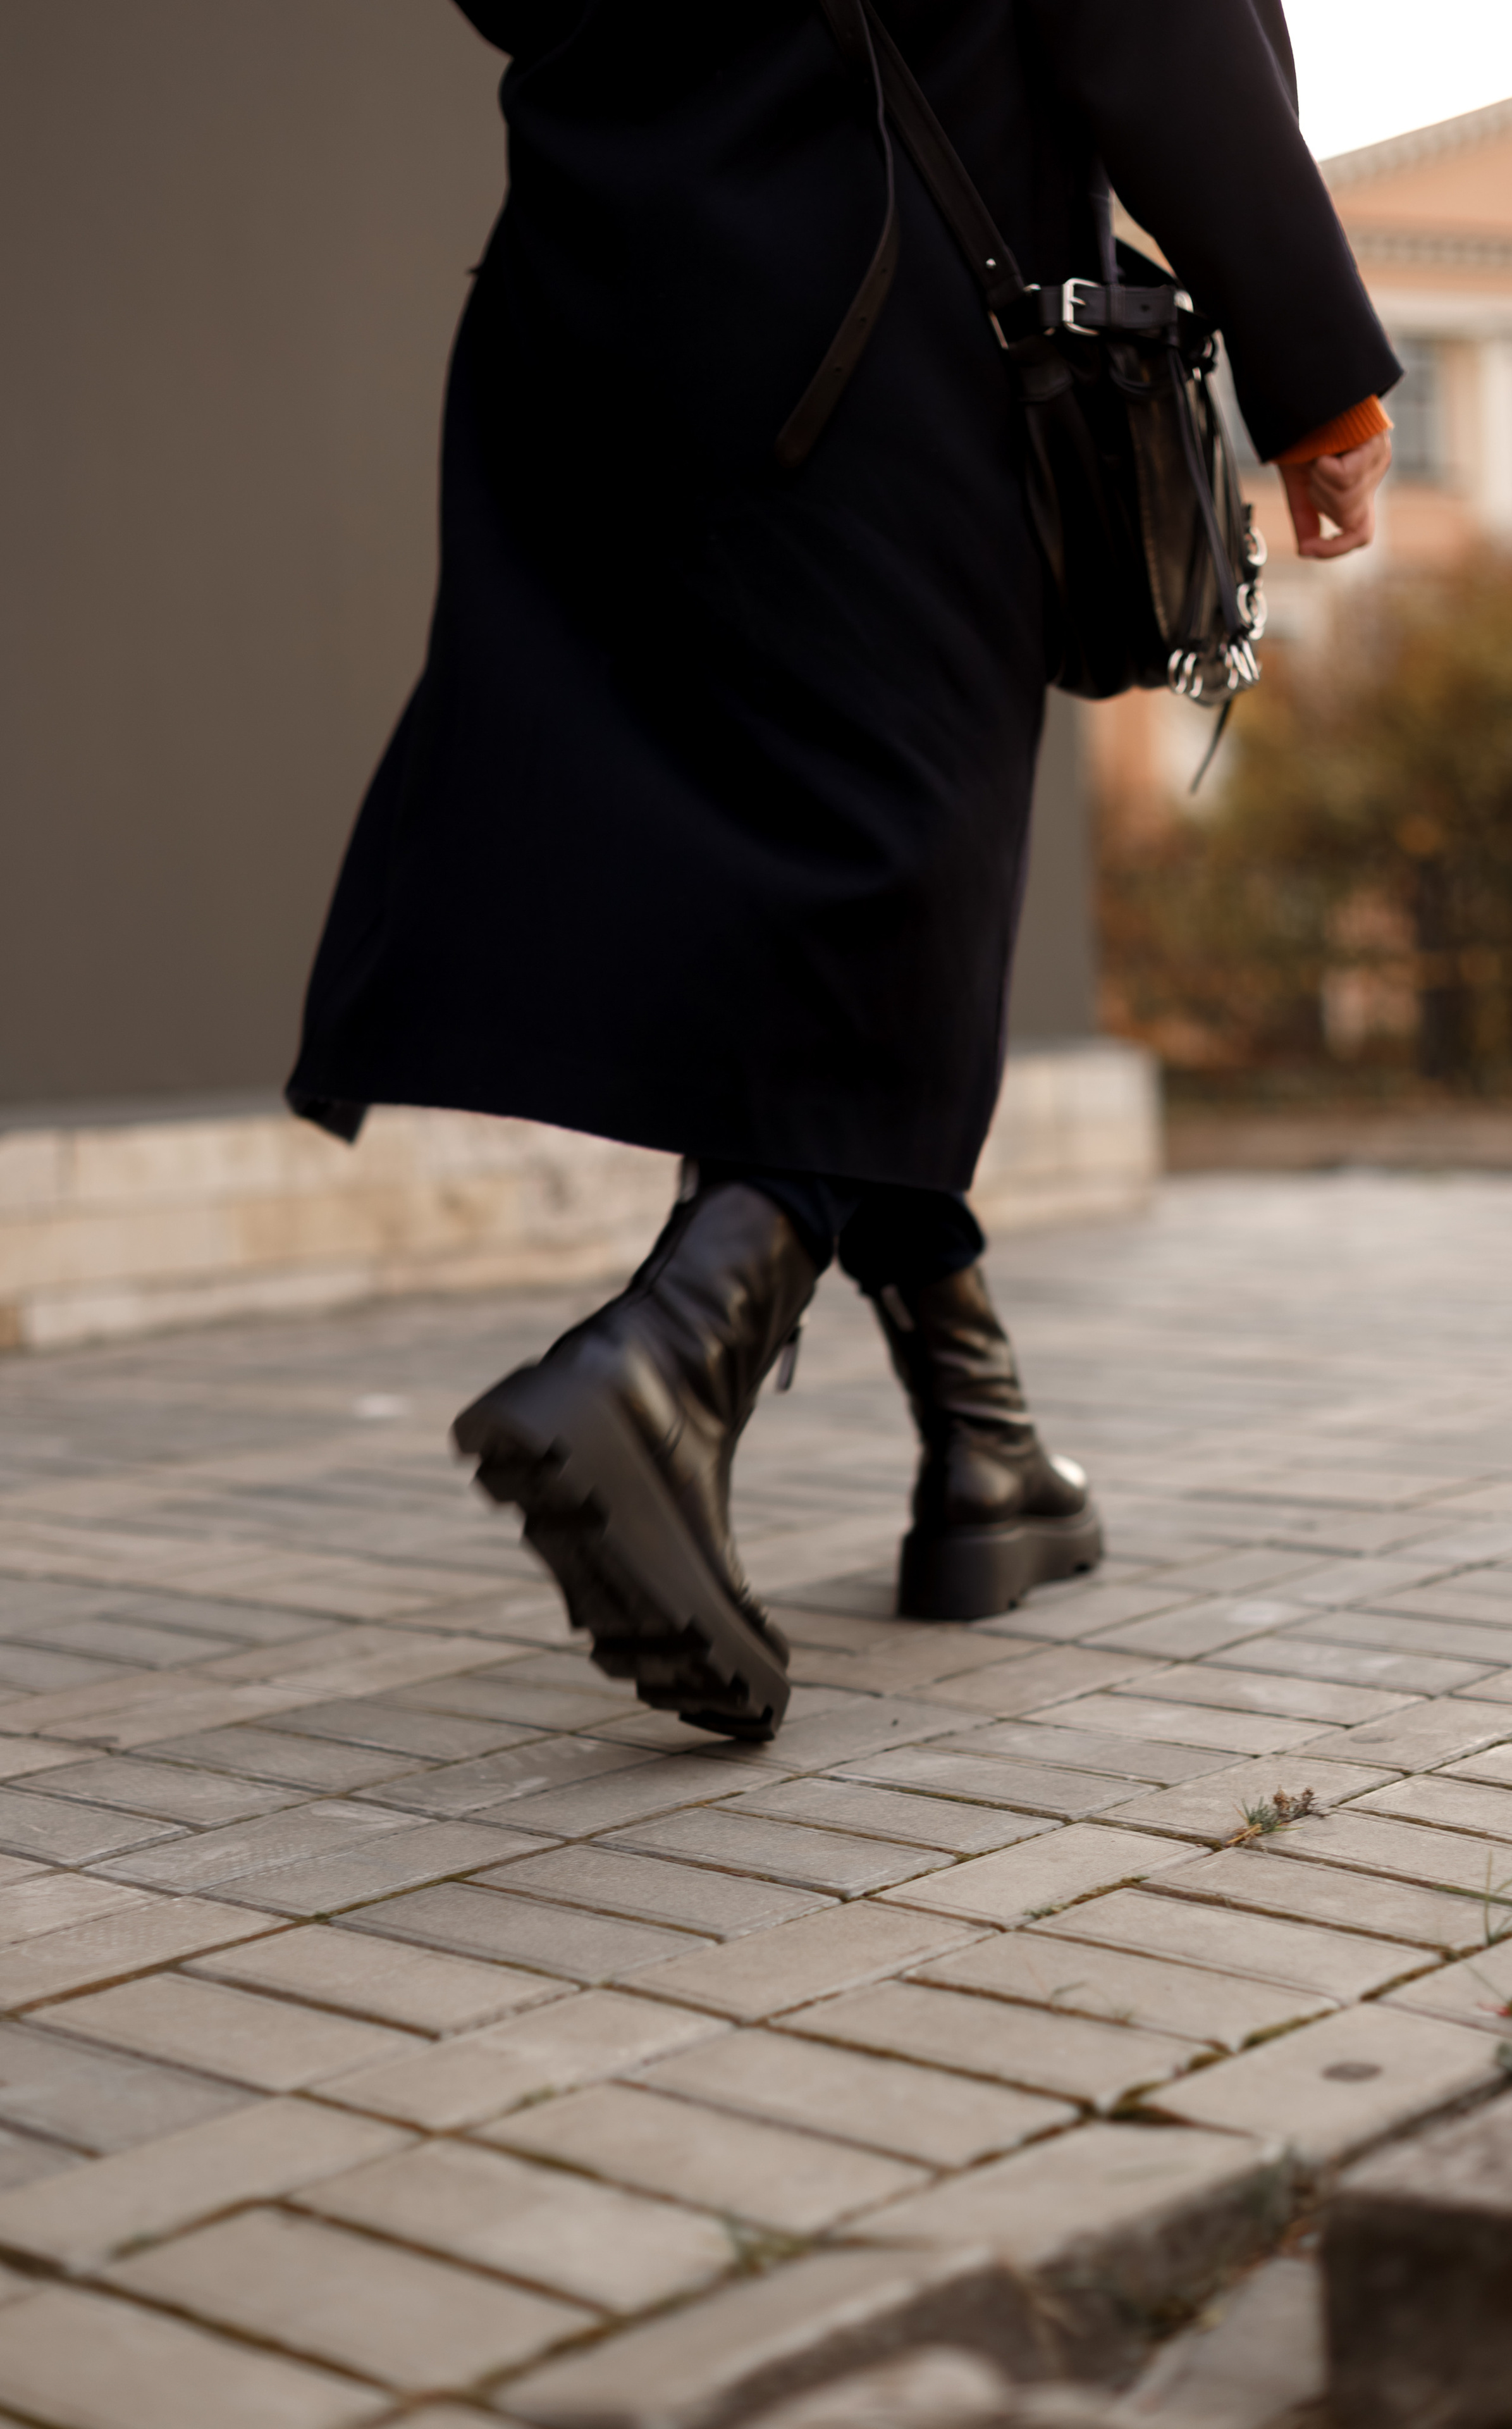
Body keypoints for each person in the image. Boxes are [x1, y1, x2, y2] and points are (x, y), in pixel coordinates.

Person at [287, 0, 1398, 1740]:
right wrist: (1314, 354)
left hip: (592, 292)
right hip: (880, 311)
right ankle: (666, 1366)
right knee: (903, 861)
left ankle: (985, 1444)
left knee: (792, 873)